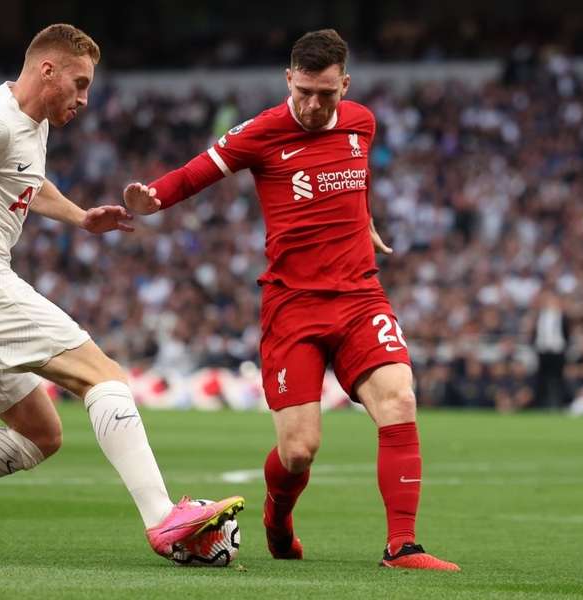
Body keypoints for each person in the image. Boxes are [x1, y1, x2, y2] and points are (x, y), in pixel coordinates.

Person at [0, 23, 243, 562]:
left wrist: (79, 217)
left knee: (40, 435)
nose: (85, 99)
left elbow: (26, 181)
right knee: (105, 376)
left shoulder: (29, 123)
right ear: (48, 71)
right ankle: (163, 519)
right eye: (81, 84)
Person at [124, 29, 458, 570]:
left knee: (399, 399)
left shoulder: (362, 123)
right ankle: (277, 518)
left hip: (359, 297)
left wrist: (364, 220)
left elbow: (356, 180)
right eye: (303, 89)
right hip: (293, 307)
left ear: (344, 85)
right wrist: (152, 197)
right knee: (299, 450)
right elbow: (197, 172)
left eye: (325, 93)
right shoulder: (261, 132)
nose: (312, 103)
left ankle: (403, 546)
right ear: (288, 79)